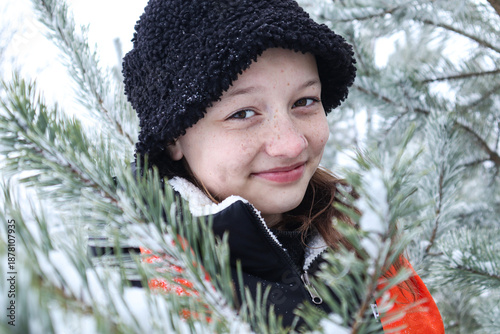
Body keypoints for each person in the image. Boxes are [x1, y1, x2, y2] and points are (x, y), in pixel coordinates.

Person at [121, 0, 445, 332]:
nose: (291, 144)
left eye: (304, 102)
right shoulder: (138, 293)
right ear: (173, 136)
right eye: (243, 113)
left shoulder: (362, 240)